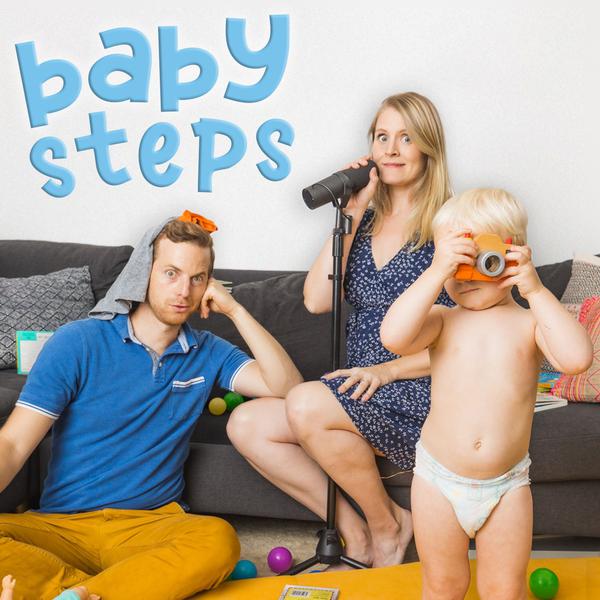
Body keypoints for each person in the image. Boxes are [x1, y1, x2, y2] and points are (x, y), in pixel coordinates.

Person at [0, 218, 302, 599]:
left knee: (218, 539)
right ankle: (95, 590)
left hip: (149, 526)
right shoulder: (76, 342)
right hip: (62, 526)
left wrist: (236, 312)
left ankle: (72, 591)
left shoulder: (209, 352)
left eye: (197, 278)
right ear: (143, 273)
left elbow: (287, 388)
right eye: (171, 273)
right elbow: (12, 444)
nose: (184, 291)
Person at [227, 92, 454, 567]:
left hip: (418, 385)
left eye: (406, 138)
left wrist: (387, 372)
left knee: (305, 401)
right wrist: (350, 213)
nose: (391, 149)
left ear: (428, 147)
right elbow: (316, 299)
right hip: (360, 387)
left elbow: (465, 337)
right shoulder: (363, 220)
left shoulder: (450, 224)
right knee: (246, 423)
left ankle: (388, 527)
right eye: (382, 137)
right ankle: (358, 531)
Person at [380, 188, 592, 599]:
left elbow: (577, 359)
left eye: (480, 260)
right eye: (456, 263)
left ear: (513, 255)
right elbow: (393, 337)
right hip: (438, 480)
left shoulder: (529, 323)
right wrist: (436, 272)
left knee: (505, 590)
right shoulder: (442, 320)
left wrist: (536, 290)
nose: (465, 277)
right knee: (443, 585)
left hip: (506, 486)